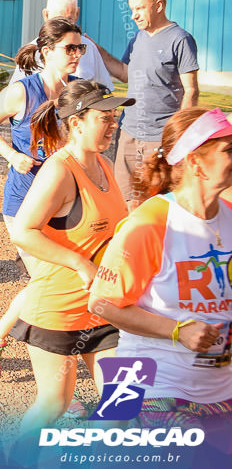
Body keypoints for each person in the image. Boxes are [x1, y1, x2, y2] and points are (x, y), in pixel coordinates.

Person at [89, 107, 232, 429]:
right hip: (153, 385)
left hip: (219, 390)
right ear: (196, 163)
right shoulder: (149, 223)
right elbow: (101, 303)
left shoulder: (229, 214)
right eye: (229, 150)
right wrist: (178, 330)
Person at [6, 80, 133, 432]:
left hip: (104, 306)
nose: (114, 123)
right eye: (104, 117)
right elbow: (22, 231)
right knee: (54, 404)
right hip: (58, 310)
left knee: (125, 403)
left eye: (115, 115)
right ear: (76, 122)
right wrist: (81, 263)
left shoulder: (104, 164)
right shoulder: (60, 170)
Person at [0, 18, 84, 380]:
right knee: (50, 284)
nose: (77, 54)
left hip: (61, 204)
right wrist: (11, 156)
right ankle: (56, 386)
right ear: (47, 52)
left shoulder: (73, 94)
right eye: (70, 47)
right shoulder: (23, 91)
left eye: (80, 47)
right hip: (23, 206)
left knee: (52, 284)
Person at [99, 0, 199, 209]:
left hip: (161, 136)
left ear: (159, 5)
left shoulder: (180, 39)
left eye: (139, 8)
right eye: (132, 9)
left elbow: (191, 89)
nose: (134, 15)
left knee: (158, 202)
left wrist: (180, 134)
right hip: (129, 133)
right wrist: (99, 51)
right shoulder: (138, 38)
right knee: (125, 200)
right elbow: (125, 73)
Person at [8, 0, 114, 90]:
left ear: (77, 13)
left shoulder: (89, 47)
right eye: (57, 21)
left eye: (68, 20)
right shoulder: (33, 51)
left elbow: (105, 90)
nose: (77, 55)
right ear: (46, 15)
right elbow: (14, 96)